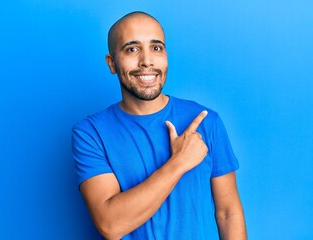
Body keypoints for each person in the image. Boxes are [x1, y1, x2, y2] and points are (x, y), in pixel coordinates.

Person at [72, 11, 247, 240]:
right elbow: (110, 225)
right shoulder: (90, 133)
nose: (147, 61)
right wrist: (179, 162)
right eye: (132, 49)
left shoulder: (206, 120)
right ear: (112, 63)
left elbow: (228, 213)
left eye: (156, 48)